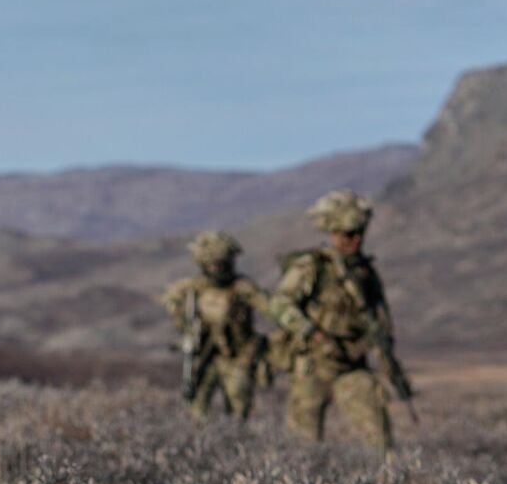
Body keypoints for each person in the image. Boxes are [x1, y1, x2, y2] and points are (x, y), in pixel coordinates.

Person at [268, 190, 411, 451]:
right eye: (348, 234)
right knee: (302, 447)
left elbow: (379, 318)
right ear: (333, 233)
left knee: (379, 442)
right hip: (313, 366)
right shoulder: (312, 266)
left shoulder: (365, 273)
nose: (355, 240)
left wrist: (386, 356)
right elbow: (279, 303)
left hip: (352, 365)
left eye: (359, 233)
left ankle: (386, 477)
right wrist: (313, 333)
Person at [159, 231, 274, 420]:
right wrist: (184, 326)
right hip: (204, 356)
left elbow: (270, 308)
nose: (217, 269)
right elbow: (170, 300)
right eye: (212, 265)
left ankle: (235, 437)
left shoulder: (242, 287)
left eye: (221, 264)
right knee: (196, 411)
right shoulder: (193, 288)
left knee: (239, 411)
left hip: (237, 357)